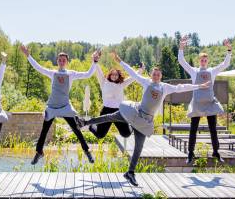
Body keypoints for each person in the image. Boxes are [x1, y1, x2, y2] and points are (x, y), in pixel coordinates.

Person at [78, 52, 209, 186]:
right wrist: (121, 61)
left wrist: (198, 86)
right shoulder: (146, 82)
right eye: (154, 74)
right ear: (151, 75)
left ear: (161, 76)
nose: (156, 76)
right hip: (134, 112)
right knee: (110, 116)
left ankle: (130, 172)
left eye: (158, 74)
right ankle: (86, 122)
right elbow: (133, 74)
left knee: (138, 147)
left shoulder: (165, 87)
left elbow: (181, 88)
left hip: (145, 122)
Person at [20, 45, 100, 165]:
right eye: (60, 60)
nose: (62, 62)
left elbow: (88, 74)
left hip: (65, 107)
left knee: (76, 130)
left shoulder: (71, 74)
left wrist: (95, 62)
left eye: (64, 60)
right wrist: (28, 55)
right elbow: (38, 68)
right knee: (44, 131)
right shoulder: (52, 73)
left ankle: (87, 151)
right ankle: (39, 152)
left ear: (67, 62)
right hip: (52, 107)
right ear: (57, 61)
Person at [178, 37, 232, 164]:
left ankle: (216, 152)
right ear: (199, 61)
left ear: (207, 61)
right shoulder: (194, 71)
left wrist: (229, 50)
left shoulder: (212, 71)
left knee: (213, 129)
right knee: (193, 129)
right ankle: (190, 153)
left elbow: (225, 64)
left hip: (209, 103)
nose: (203, 61)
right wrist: (181, 48)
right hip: (197, 103)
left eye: (205, 60)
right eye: (201, 60)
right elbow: (182, 61)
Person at [88, 63, 144, 140]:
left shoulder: (121, 84)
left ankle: (132, 125)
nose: (114, 76)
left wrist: (140, 70)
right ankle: (91, 126)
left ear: (119, 76)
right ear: (110, 75)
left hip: (119, 112)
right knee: (100, 135)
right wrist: (95, 62)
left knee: (126, 134)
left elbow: (132, 78)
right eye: (113, 74)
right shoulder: (104, 82)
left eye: (116, 75)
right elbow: (98, 71)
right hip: (106, 111)